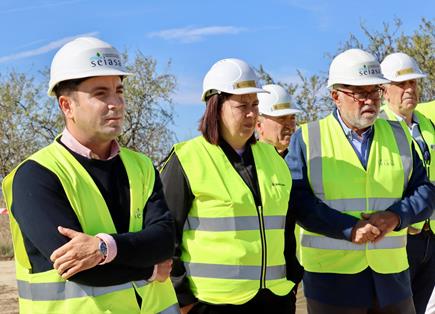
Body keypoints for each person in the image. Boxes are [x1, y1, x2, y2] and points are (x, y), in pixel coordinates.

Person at [1, 37, 178, 314]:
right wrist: (150, 267)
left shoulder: (141, 166)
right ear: (66, 106)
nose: (116, 103)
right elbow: (77, 268)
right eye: (100, 94)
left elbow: (165, 240)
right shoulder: (35, 176)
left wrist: (104, 248)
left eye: (119, 91)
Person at [286, 48, 435, 313]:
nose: (370, 100)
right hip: (331, 280)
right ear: (335, 96)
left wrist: (396, 216)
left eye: (374, 91)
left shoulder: (399, 135)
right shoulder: (308, 138)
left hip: (393, 279)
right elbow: (297, 201)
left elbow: (426, 191)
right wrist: (348, 228)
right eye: (359, 93)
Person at [160, 58, 303, 314]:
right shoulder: (185, 159)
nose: (251, 113)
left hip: (275, 300)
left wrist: (292, 279)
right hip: (212, 304)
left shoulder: (274, 160)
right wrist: (184, 300)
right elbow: (166, 236)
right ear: (216, 106)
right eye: (242, 106)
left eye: (255, 105)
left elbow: (286, 229)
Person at [379, 52, 435, 314]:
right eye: (401, 84)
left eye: (412, 83)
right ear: (384, 91)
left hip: (430, 235)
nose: (409, 89)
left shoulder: (427, 124)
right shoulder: (378, 127)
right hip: (398, 236)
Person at [256, 84, 301, 158]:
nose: (290, 126)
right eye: (282, 118)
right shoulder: (249, 162)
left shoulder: (298, 162)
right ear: (259, 125)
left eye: (292, 118)